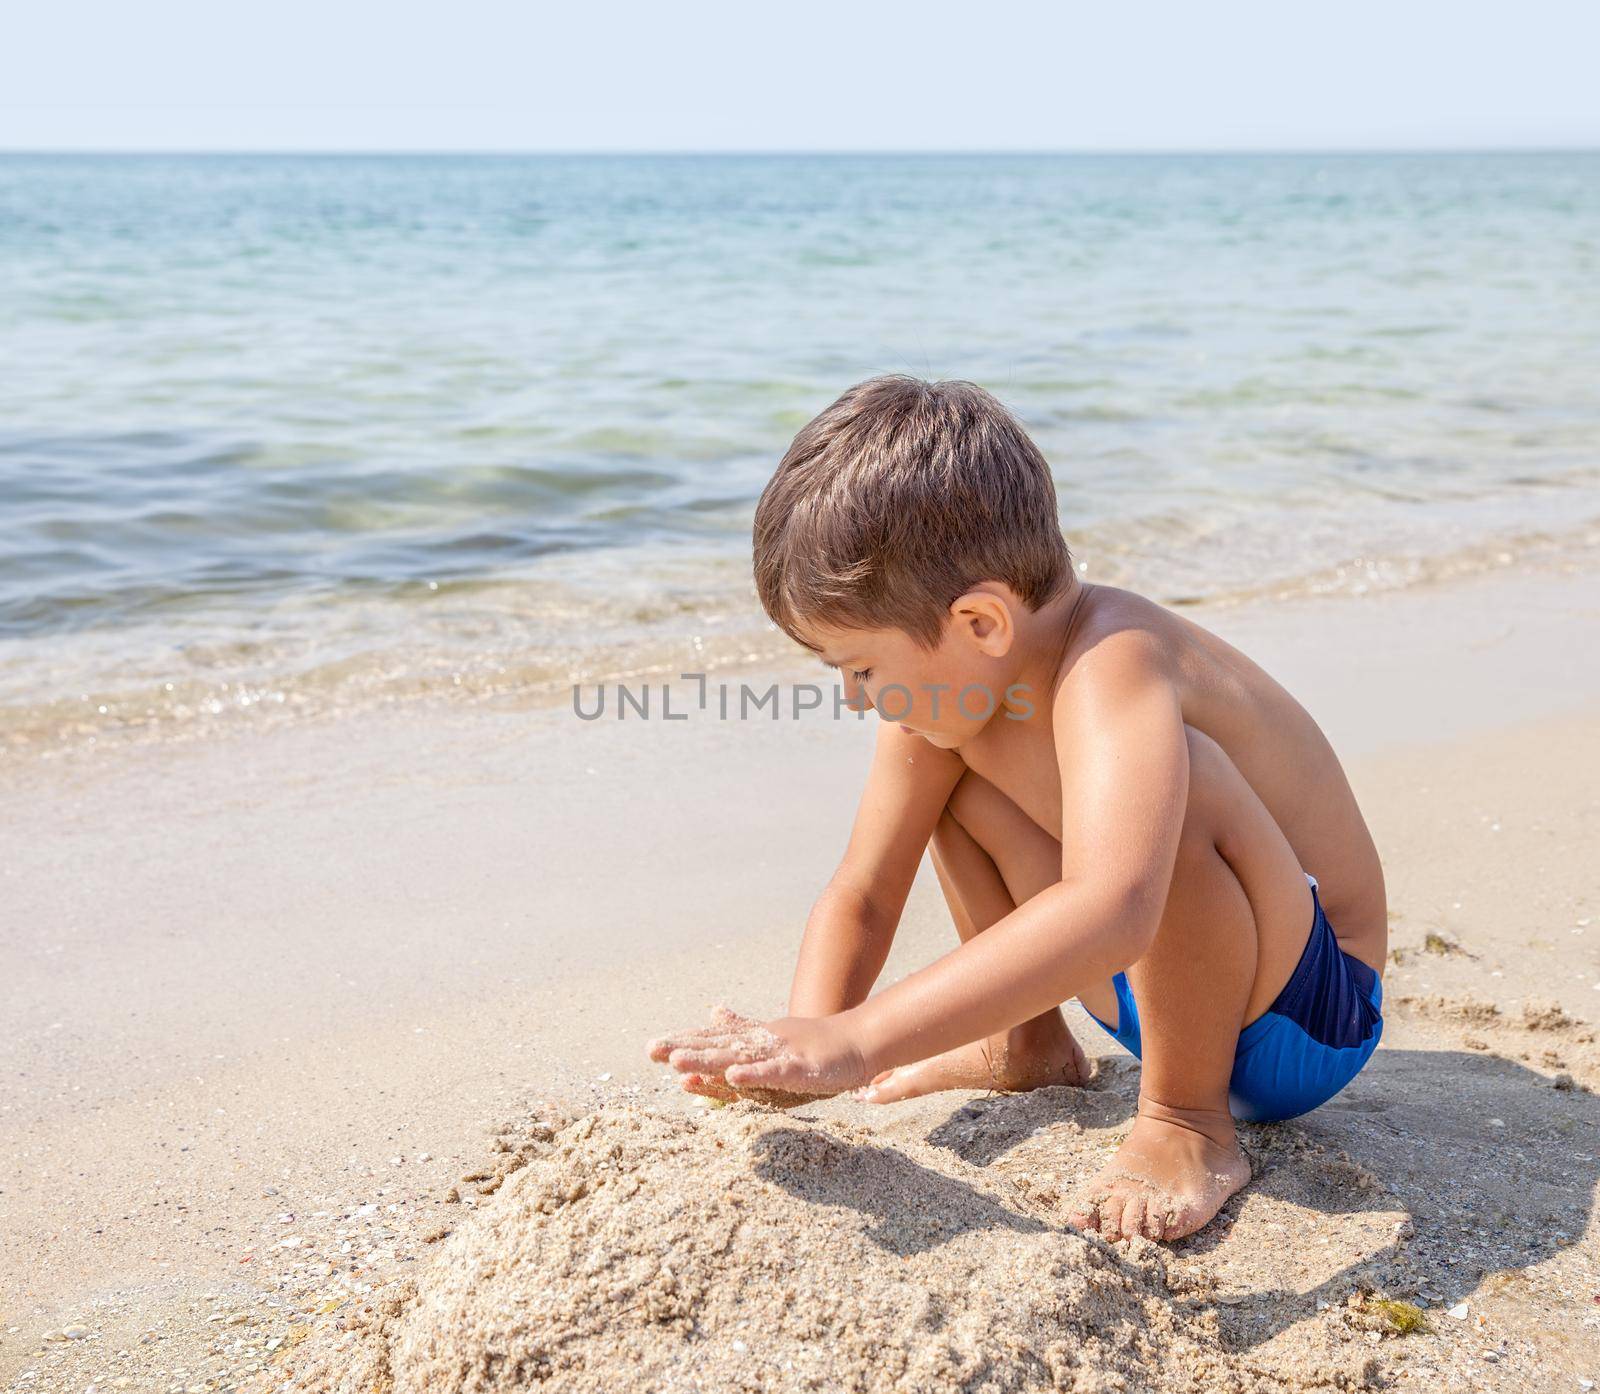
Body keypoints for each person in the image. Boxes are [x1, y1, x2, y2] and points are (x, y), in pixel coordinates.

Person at [648, 375, 1387, 1242]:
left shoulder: (1116, 660)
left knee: (1180, 782)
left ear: (981, 621)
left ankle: (1189, 1122)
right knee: (947, 765)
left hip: (1304, 1015)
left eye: (860, 668)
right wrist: (806, 1040)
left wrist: (861, 1040)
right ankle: (1027, 1048)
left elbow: (1116, 907)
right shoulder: (952, 695)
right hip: (1153, 990)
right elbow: (866, 888)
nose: (852, 699)